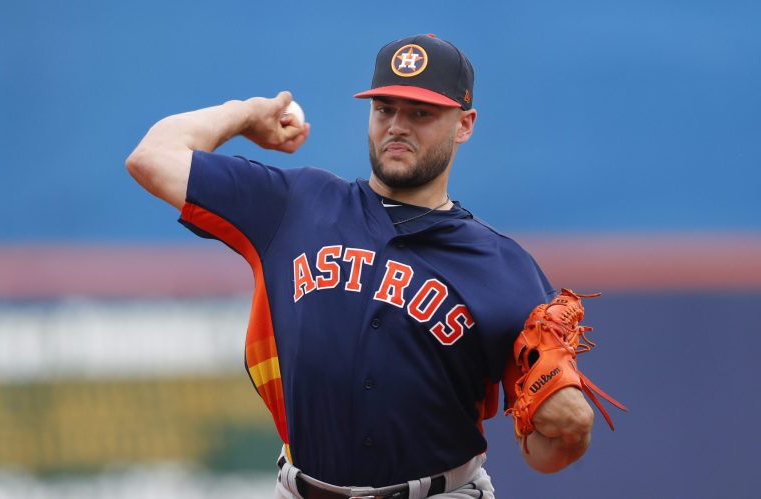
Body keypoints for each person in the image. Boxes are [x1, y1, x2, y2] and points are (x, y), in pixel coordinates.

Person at [126, 33, 595, 499]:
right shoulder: (293, 205)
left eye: (421, 113)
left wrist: (567, 429)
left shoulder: (504, 268)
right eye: (384, 109)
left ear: (464, 124)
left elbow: (544, 453)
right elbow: (152, 158)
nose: (397, 126)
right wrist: (248, 113)